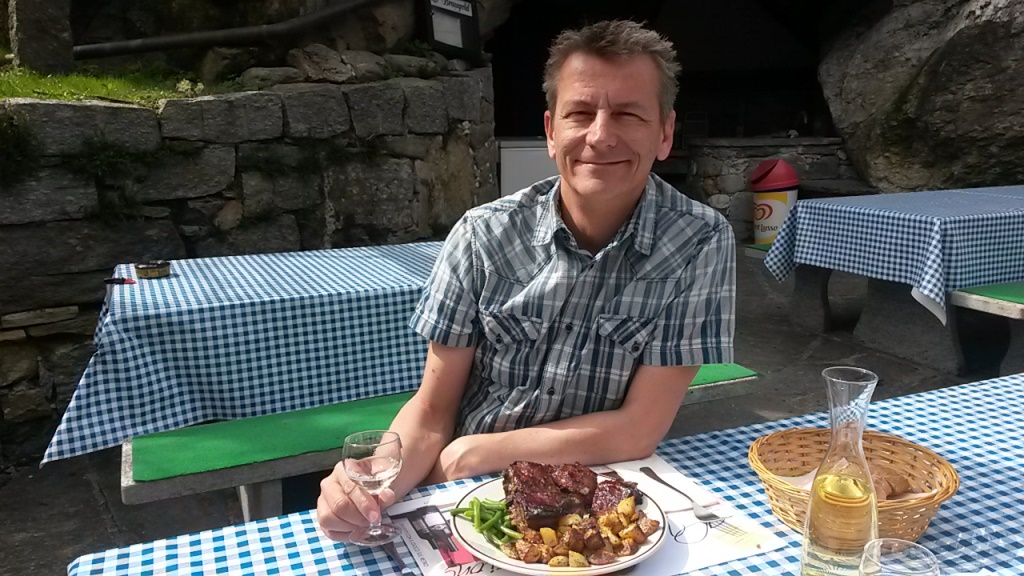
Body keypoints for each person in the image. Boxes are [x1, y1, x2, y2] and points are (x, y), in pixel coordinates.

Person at [318, 19, 735, 542]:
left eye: (628, 114)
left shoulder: (699, 240)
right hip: (466, 489)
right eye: (580, 113)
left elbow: (639, 428)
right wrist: (373, 489)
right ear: (550, 131)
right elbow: (432, 409)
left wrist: (479, 452)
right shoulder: (482, 234)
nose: (600, 135)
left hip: (596, 495)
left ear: (665, 134)